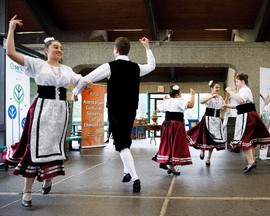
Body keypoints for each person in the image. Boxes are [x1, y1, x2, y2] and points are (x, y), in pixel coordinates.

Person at [1, 15, 88, 207]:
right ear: (46, 50)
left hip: (60, 112)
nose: (59, 50)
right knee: (35, 147)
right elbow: (11, 53)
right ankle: (26, 191)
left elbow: (80, 82)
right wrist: (11, 29)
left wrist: (83, 87)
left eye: (61, 48)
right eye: (56, 47)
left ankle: (49, 177)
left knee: (55, 148)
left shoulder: (67, 70)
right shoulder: (37, 64)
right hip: (41, 109)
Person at [72, 37, 156, 192]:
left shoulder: (110, 66)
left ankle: (135, 178)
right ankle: (126, 173)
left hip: (116, 110)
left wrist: (75, 92)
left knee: (122, 144)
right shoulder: (136, 67)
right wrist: (147, 47)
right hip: (131, 109)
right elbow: (152, 66)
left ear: (116, 50)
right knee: (124, 140)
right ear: (128, 50)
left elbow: (86, 78)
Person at [223, 73, 270, 173]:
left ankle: (251, 162)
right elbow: (239, 105)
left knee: (244, 138)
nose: (236, 83)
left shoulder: (245, 90)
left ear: (243, 81)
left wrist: (230, 91)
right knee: (247, 139)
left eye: (237, 81)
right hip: (246, 114)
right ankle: (252, 161)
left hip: (246, 116)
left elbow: (241, 101)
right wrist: (226, 105)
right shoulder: (243, 90)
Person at [152, 85, 195, 175]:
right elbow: (191, 105)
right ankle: (169, 165)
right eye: (181, 92)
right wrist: (193, 95)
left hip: (166, 124)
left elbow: (157, 110)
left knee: (167, 143)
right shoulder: (179, 100)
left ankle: (166, 162)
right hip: (176, 125)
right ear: (178, 94)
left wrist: (164, 101)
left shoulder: (167, 101)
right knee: (175, 145)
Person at [187, 80, 226, 166]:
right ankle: (202, 150)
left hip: (216, 120)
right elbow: (201, 101)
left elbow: (222, 108)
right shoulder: (208, 96)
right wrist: (211, 97)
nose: (218, 89)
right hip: (207, 119)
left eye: (219, 87)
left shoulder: (220, 98)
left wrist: (224, 106)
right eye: (216, 87)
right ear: (212, 88)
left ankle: (208, 158)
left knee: (212, 140)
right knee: (205, 137)